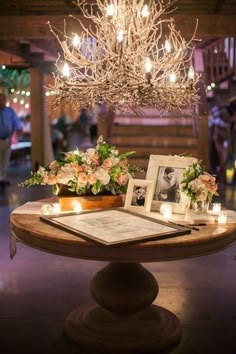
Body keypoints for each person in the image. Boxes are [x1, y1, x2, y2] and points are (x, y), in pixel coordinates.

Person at [0, 93, 22, 186]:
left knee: (5, 159)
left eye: (2, 100)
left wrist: (19, 128)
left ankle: (2, 178)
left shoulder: (10, 111)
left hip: (7, 138)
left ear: (5, 101)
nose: (1, 102)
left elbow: (16, 121)